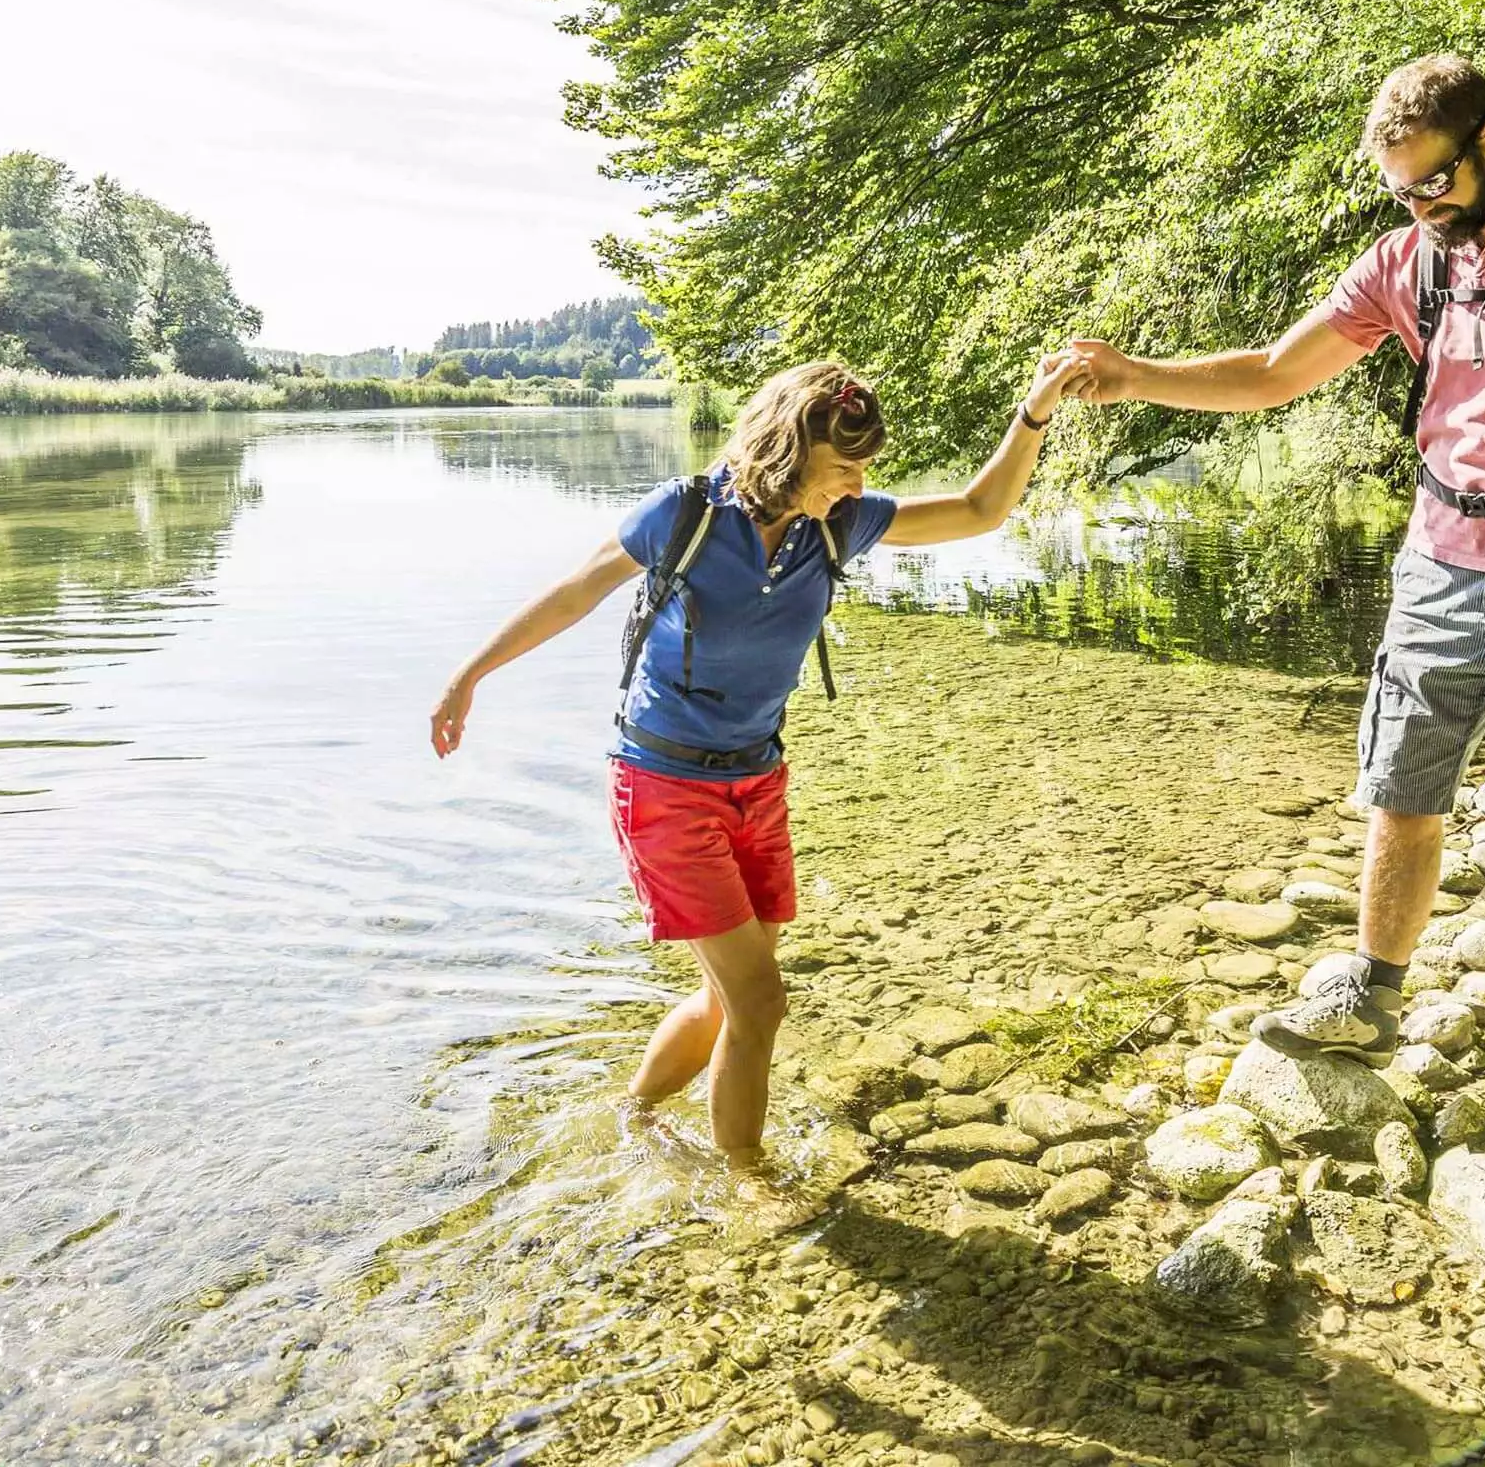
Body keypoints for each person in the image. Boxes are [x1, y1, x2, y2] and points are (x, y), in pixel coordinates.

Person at [1061, 51, 1485, 1186]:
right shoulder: (1410, 260)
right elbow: (1274, 373)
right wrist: (1133, 375)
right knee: (1400, 796)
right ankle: (1369, 994)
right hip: (1437, 571)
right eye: (1400, 191)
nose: (1419, 209)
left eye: (1435, 183)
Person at [429, 355, 1078, 1170]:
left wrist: (1034, 410)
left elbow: (982, 509)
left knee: (729, 996)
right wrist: (468, 676)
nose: (857, 485)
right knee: (761, 1000)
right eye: (842, 468)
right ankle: (745, 1180)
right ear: (789, 454)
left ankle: (633, 1118)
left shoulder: (835, 525)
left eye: (862, 470)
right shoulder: (684, 516)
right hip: (663, 786)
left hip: (757, 783)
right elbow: (574, 592)